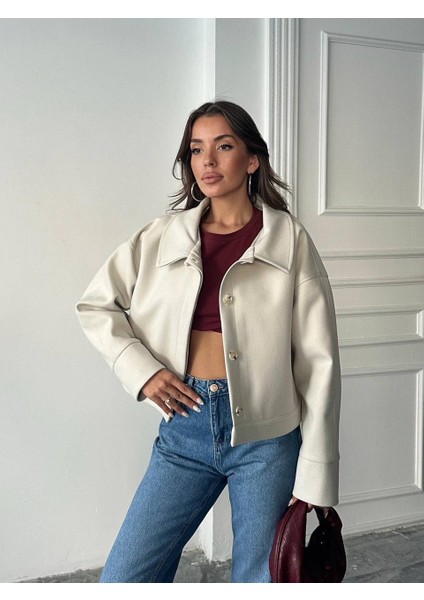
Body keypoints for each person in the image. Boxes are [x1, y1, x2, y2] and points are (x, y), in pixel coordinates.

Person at [76, 100, 341, 583]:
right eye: (197, 149)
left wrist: (316, 471)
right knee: (124, 578)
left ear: (252, 159)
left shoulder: (289, 240)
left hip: (267, 440)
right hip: (185, 427)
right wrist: (144, 373)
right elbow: (96, 306)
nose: (208, 161)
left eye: (224, 146)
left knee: (260, 580)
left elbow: (318, 361)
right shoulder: (161, 236)